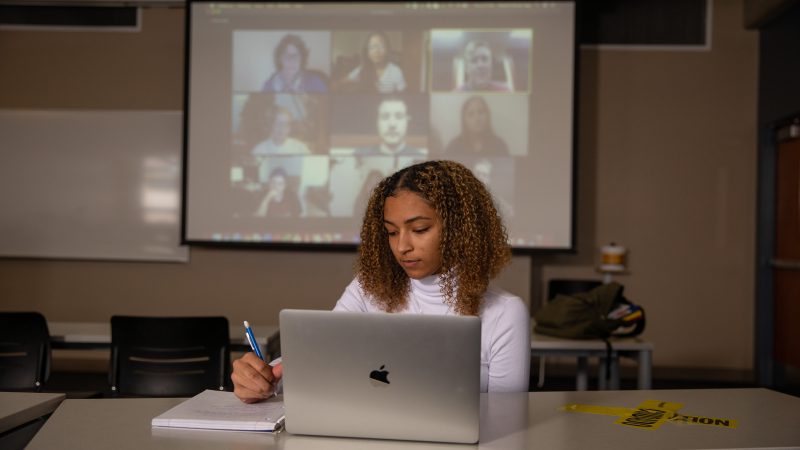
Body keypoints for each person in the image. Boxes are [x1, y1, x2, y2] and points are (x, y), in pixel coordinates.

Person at [232, 160, 530, 402]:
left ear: (462, 230)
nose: (402, 246)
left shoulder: (504, 314)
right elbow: (316, 359)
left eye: (420, 229)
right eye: (391, 232)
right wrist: (263, 378)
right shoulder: (368, 290)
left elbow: (506, 424)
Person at [354, 97, 426, 157]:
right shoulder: (359, 155)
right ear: (377, 121)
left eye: (399, 116)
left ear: (407, 120)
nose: (392, 124)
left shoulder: (420, 159)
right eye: (385, 117)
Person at [341, 31, 406, 93]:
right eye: (372, 47)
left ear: (387, 50)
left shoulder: (396, 71)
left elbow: (404, 95)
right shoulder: (362, 69)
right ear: (367, 52)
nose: (376, 51)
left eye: (381, 46)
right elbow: (341, 82)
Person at [444, 96, 509, 157]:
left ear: (488, 116)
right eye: (471, 114)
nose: (477, 118)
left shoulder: (499, 146)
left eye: (480, 112)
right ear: (464, 120)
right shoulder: (454, 147)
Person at [262, 34, 327, 93]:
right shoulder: (269, 85)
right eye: (286, 56)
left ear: (302, 59)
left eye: (296, 56)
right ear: (279, 59)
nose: (291, 61)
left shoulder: (316, 82)